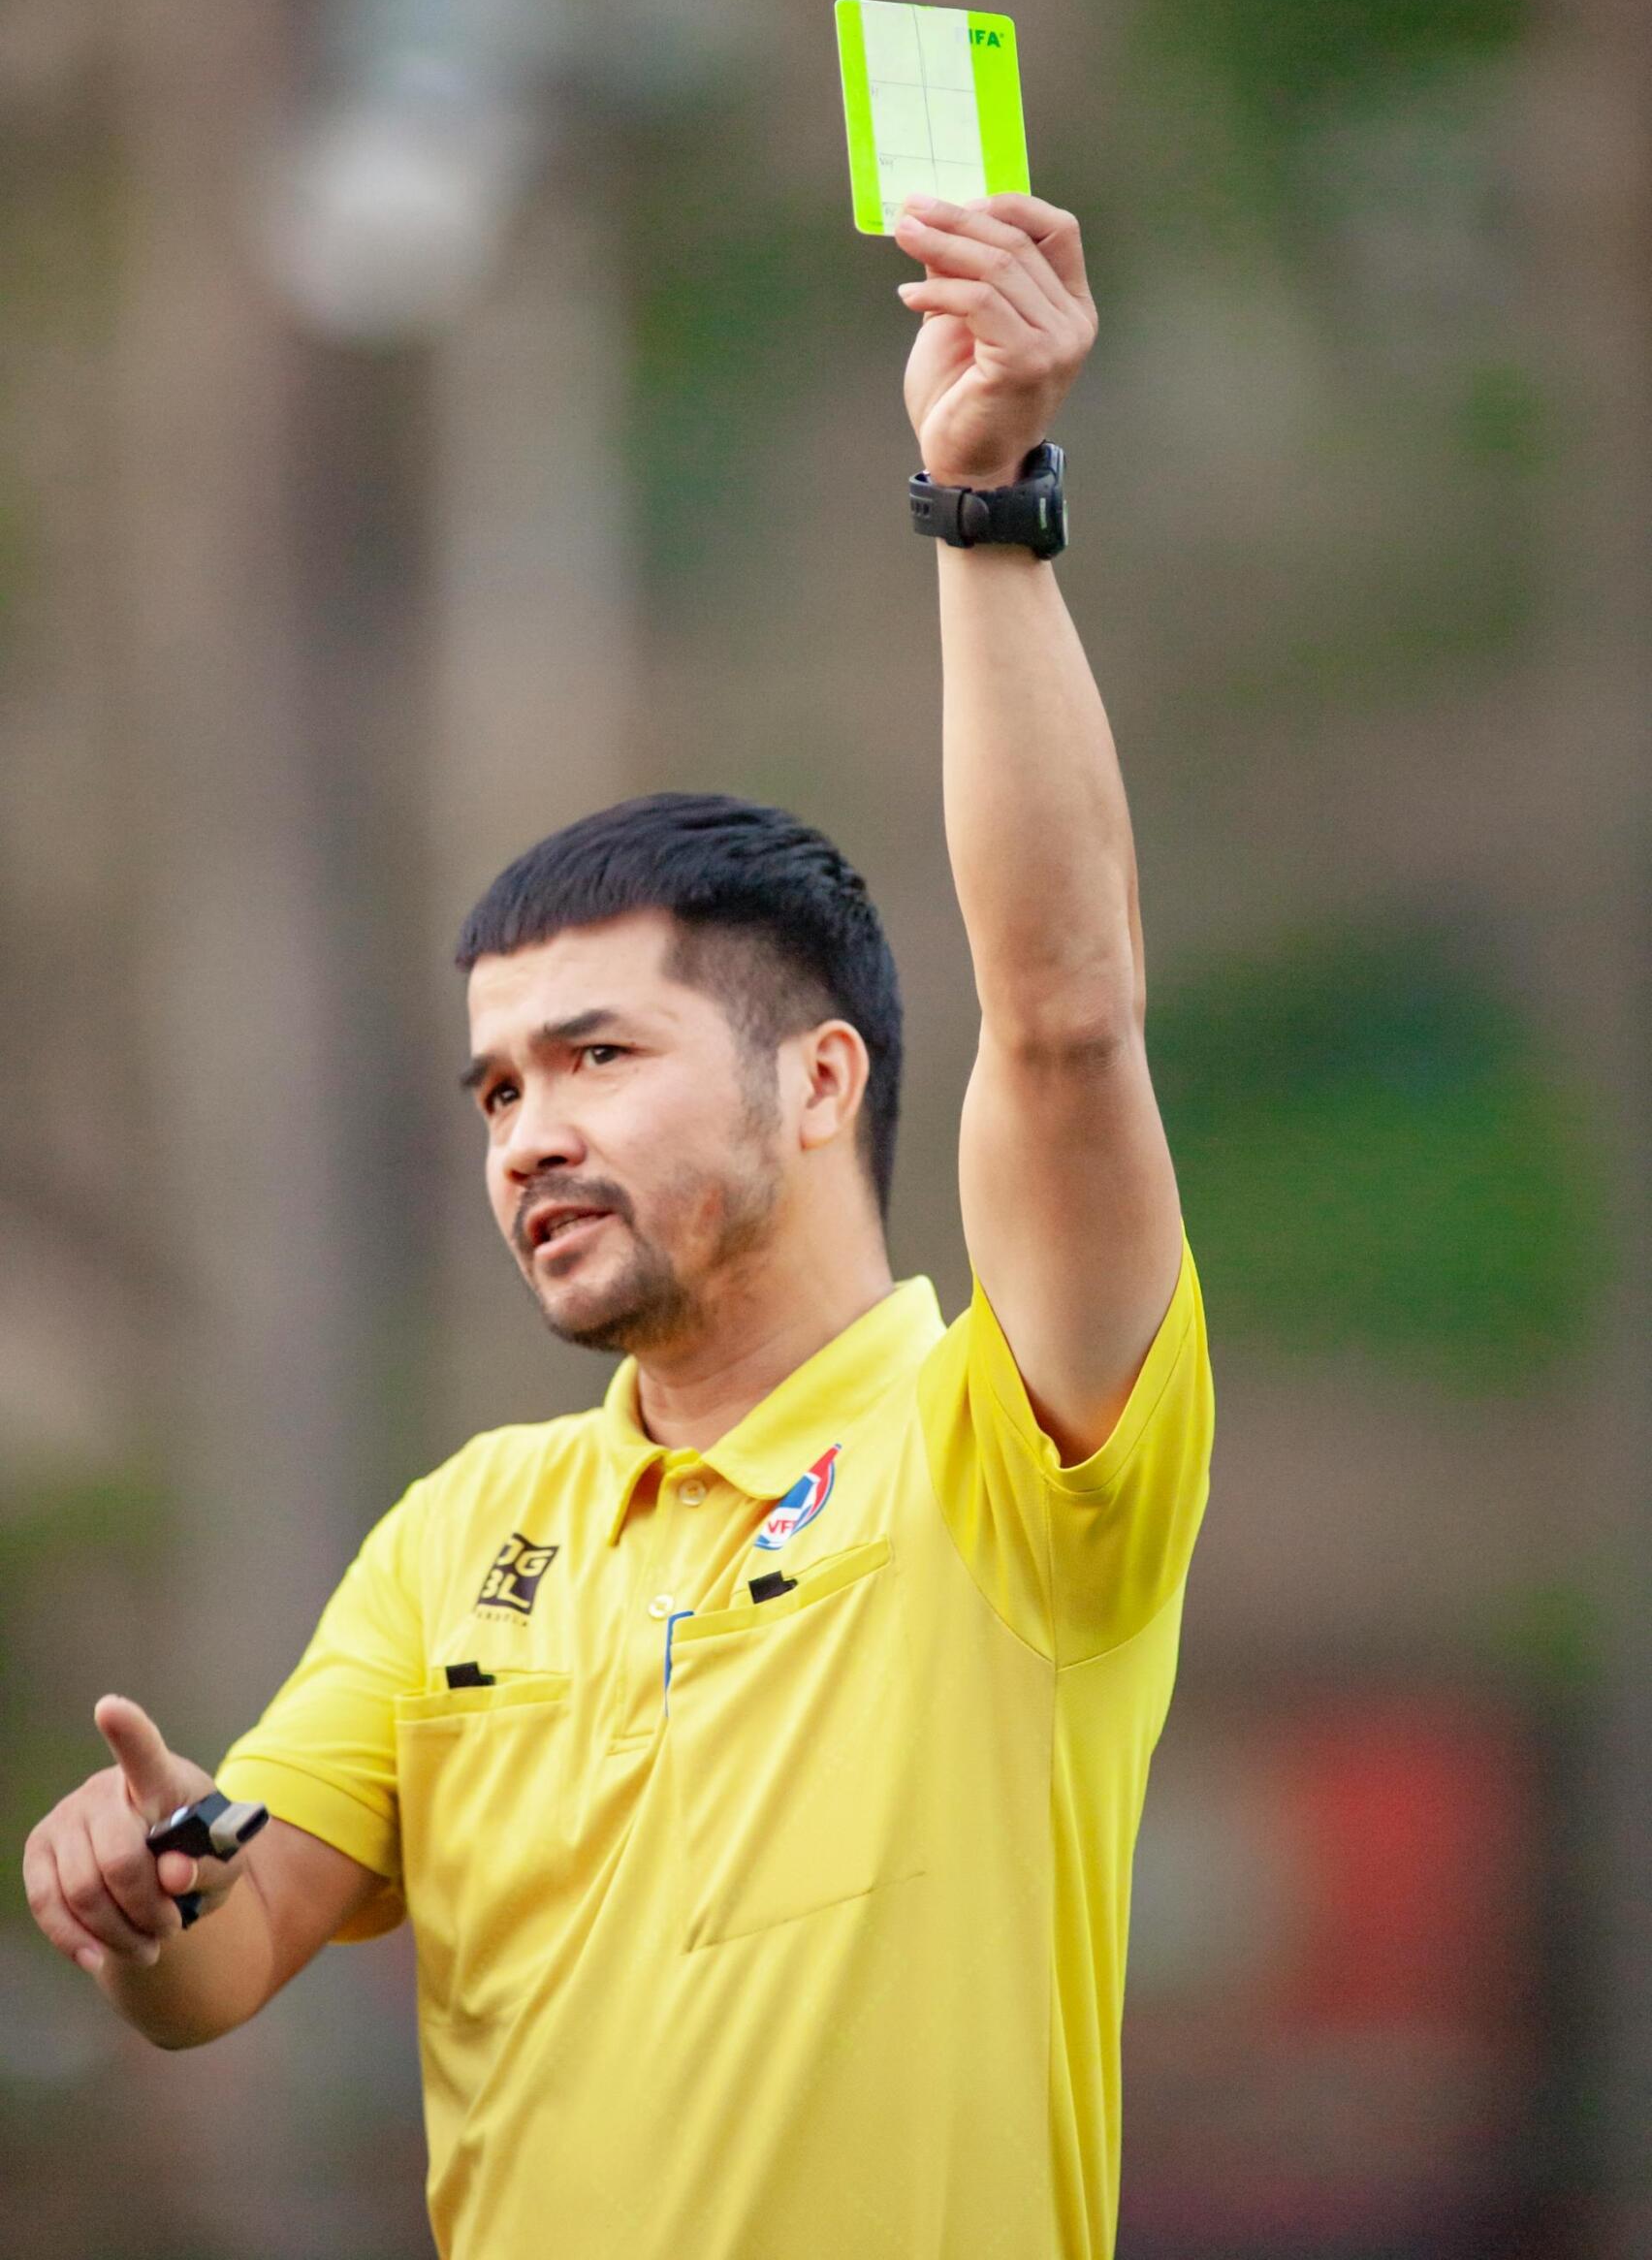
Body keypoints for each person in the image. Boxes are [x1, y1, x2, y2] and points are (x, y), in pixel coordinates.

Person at [23, 192, 1214, 2260]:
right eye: (496, 1087)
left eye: (595, 1057)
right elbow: (228, 1960)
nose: (527, 1134)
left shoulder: (1011, 1450)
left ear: (819, 1078)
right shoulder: (456, 1534)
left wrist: (989, 502)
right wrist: (139, 1895)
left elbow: (1070, 1019)